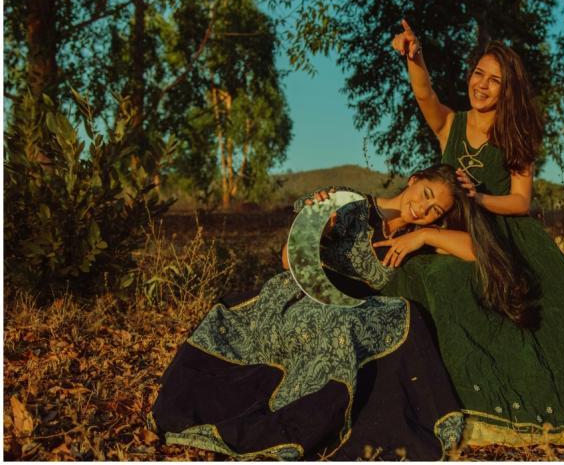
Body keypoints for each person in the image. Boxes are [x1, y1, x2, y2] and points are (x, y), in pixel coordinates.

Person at [383, 21, 564, 447]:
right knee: (431, 283)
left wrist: (478, 200)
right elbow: (424, 95)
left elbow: (520, 201)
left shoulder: (516, 134)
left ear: (506, 90)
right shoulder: (450, 125)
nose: (483, 85)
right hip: (457, 234)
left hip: (506, 232)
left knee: (558, 309)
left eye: (495, 81)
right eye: (479, 74)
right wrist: (414, 57)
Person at [149, 164, 508, 460]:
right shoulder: (347, 203)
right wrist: (319, 226)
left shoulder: (415, 237)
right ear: (415, 179)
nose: (424, 209)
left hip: (353, 309)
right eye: (426, 195)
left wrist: (424, 237)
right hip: (304, 294)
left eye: (436, 211)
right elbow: (290, 260)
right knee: (340, 324)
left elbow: (477, 250)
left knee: (397, 316)